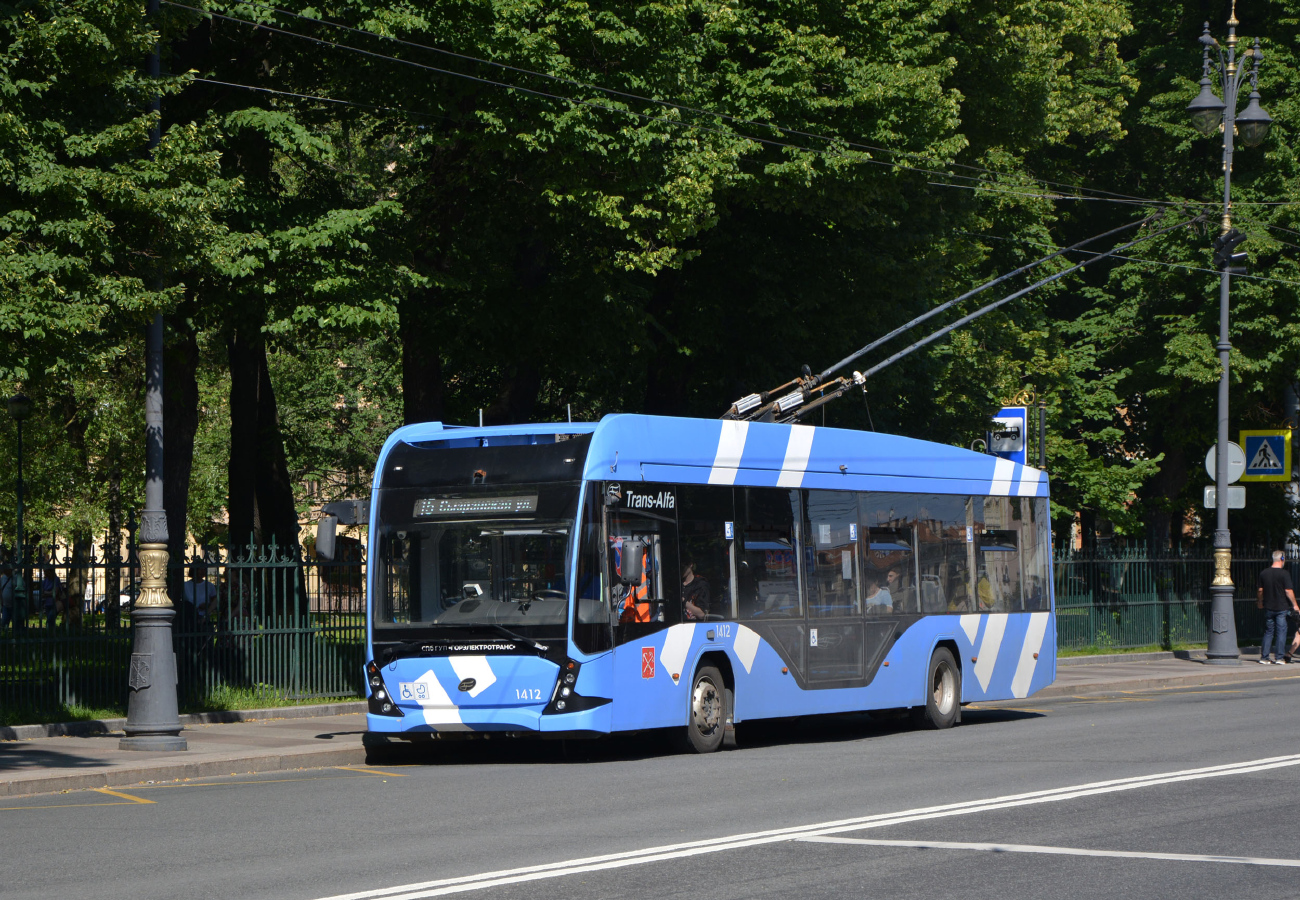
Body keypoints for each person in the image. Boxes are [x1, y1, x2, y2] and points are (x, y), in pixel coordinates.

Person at [1256, 550, 1298, 664]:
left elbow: (1260, 590)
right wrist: (1295, 605)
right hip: (1281, 607)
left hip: (1268, 607)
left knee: (1268, 632)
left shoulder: (1264, 573)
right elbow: (1288, 591)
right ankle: (1279, 657)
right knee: (1281, 632)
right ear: (1282, 559)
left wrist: (1260, 601)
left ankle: (1264, 657)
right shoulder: (1284, 574)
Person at [39, 565, 63, 630]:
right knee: (51, 621)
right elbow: (42, 593)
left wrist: (46, 593)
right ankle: (52, 634)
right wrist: (49, 593)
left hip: (55, 603)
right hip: (47, 603)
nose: (45, 573)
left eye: (46, 572)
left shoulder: (56, 579)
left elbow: (55, 592)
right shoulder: (45, 581)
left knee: (49, 620)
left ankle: (50, 634)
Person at [0, 564, 13, 629]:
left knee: (16, 622)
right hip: (5, 605)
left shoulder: (15, 577)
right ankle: (5, 634)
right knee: (4, 621)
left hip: (14, 605)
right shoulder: (3, 578)